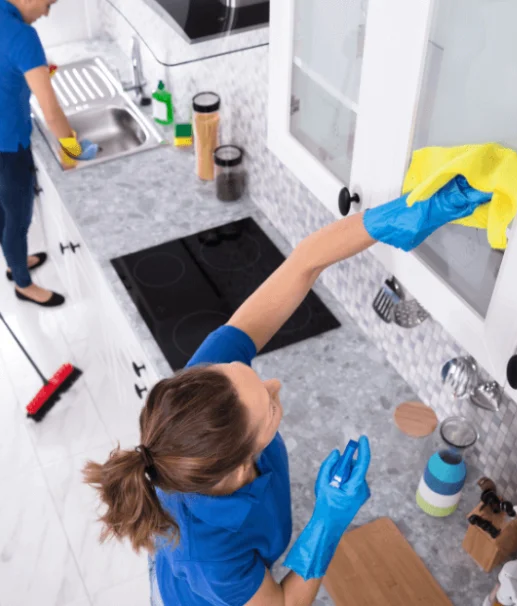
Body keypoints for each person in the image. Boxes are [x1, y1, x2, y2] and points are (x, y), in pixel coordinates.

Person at [84, 184, 489, 604]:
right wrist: (328, 521)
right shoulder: (212, 553)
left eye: (248, 374)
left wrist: (395, 218)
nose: (273, 384)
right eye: (269, 404)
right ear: (243, 461)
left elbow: (304, 264)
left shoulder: (205, 390)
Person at [0, 0, 99, 308]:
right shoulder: (22, 36)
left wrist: (14, 73)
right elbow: (51, 110)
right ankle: (23, 284)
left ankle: (13, 262)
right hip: (7, 144)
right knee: (18, 219)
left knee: (5, 206)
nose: (47, 13)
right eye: (48, 4)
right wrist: (72, 151)